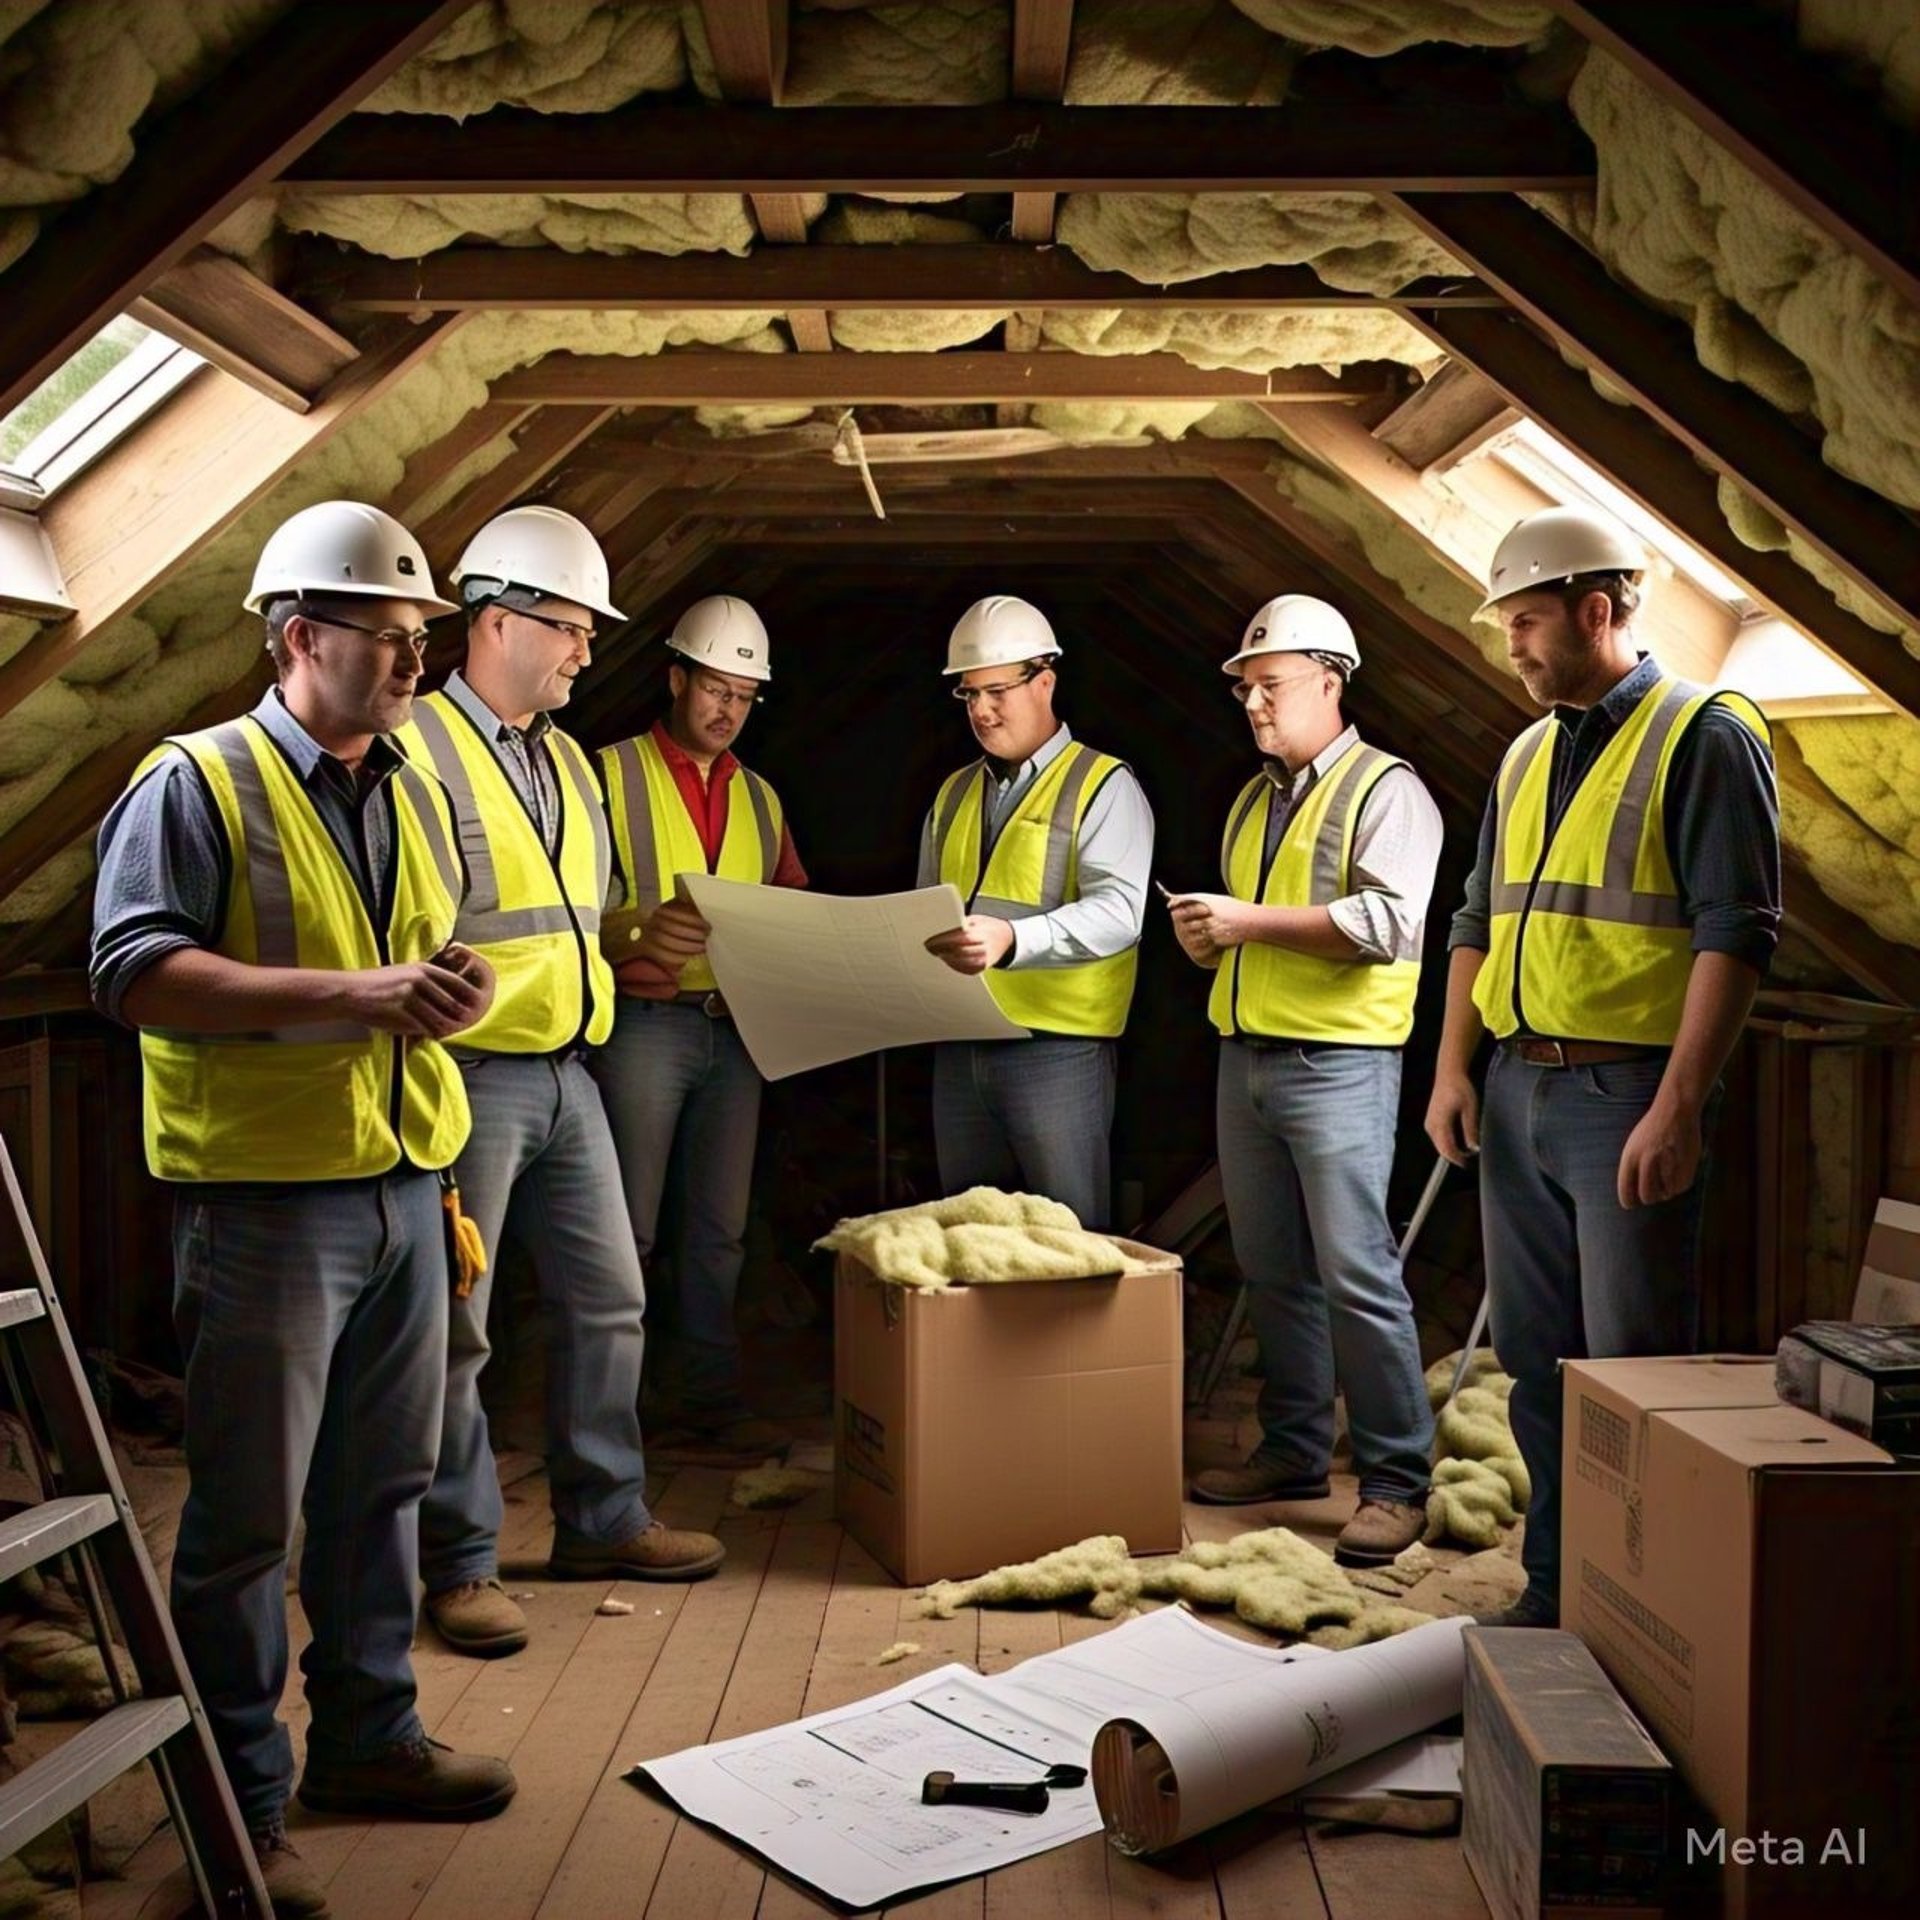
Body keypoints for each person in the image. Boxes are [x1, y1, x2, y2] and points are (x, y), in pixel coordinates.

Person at [90, 502, 515, 1916]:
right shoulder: (193, 785)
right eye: (388, 641)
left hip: (405, 1182)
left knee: (379, 1493)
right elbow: (136, 972)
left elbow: (428, 957)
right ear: (295, 640)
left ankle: (369, 1741)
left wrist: (456, 995)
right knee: (246, 1519)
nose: (412, 666)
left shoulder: (406, 785)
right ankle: (234, 1811)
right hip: (268, 1207)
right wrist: (362, 999)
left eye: (420, 642)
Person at [1424, 505, 1780, 1628]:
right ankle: (1556, 1590)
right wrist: (1452, 1069)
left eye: (1528, 623)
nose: (1513, 646)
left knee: (1636, 1378)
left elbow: (1738, 929)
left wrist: (1678, 1107)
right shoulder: (1528, 749)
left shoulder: (1707, 734)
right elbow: (1476, 919)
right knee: (1538, 1366)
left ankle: (1647, 1610)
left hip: (1624, 1097)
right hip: (1519, 1087)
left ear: (1597, 609)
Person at [397, 505, 723, 1664]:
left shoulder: (567, 759)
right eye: (571, 629)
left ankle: (602, 1519)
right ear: (495, 623)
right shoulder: (416, 751)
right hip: (466, 1080)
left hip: (569, 1069)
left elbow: (569, 919)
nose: (588, 652)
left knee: (609, 1299)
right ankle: (459, 1562)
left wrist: (646, 927)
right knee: (456, 1331)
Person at [1172, 596, 1442, 1567]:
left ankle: (1396, 1481)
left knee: (1358, 1276)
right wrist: (1212, 939)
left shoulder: (1387, 791)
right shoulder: (1256, 798)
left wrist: (1242, 923)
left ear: (1330, 680)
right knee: (1274, 1271)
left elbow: (1389, 926)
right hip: (1246, 1056)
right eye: (1246, 686)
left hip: (1339, 1066)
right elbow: (1254, 934)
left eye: (1270, 684)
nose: (1253, 702)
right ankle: (1292, 1453)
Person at [589, 595, 806, 1461]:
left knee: (718, 1230)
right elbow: (569, 907)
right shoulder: (601, 776)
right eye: (715, 688)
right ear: (675, 679)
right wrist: (636, 928)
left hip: (733, 1031)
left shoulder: (760, 796)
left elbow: (788, 899)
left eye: (745, 696)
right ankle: (616, 1417)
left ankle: (706, 1406)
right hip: (642, 1025)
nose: (728, 710)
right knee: (628, 1229)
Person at [917, 595, 1153, 1229]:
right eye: (968, 696)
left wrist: (1012, 939)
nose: (983, 711)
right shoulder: (954, 792)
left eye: (997, 691)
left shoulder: (1104, 785)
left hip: (1056, 1054)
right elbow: (921, 915)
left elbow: (1120, 912)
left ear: (1045, 681)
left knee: (1070, 1242)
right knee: (966, 1241)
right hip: (961, 1049)